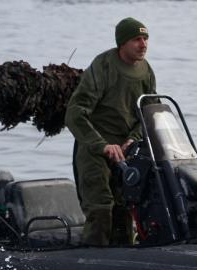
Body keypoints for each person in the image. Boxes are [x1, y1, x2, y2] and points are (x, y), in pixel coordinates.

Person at [65, 17, 157, 246]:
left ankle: (124, 264)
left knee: (125, 209)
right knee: (101, 207)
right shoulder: (103, 65)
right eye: (137, 39)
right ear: (122, 43)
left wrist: (132, 139)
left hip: (125, 151)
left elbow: (149, 113)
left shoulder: (146, 71)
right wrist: (102, 145)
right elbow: (75, 113)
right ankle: (91, 265)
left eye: (145, 39)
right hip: (95, 148)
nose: (143, 44)